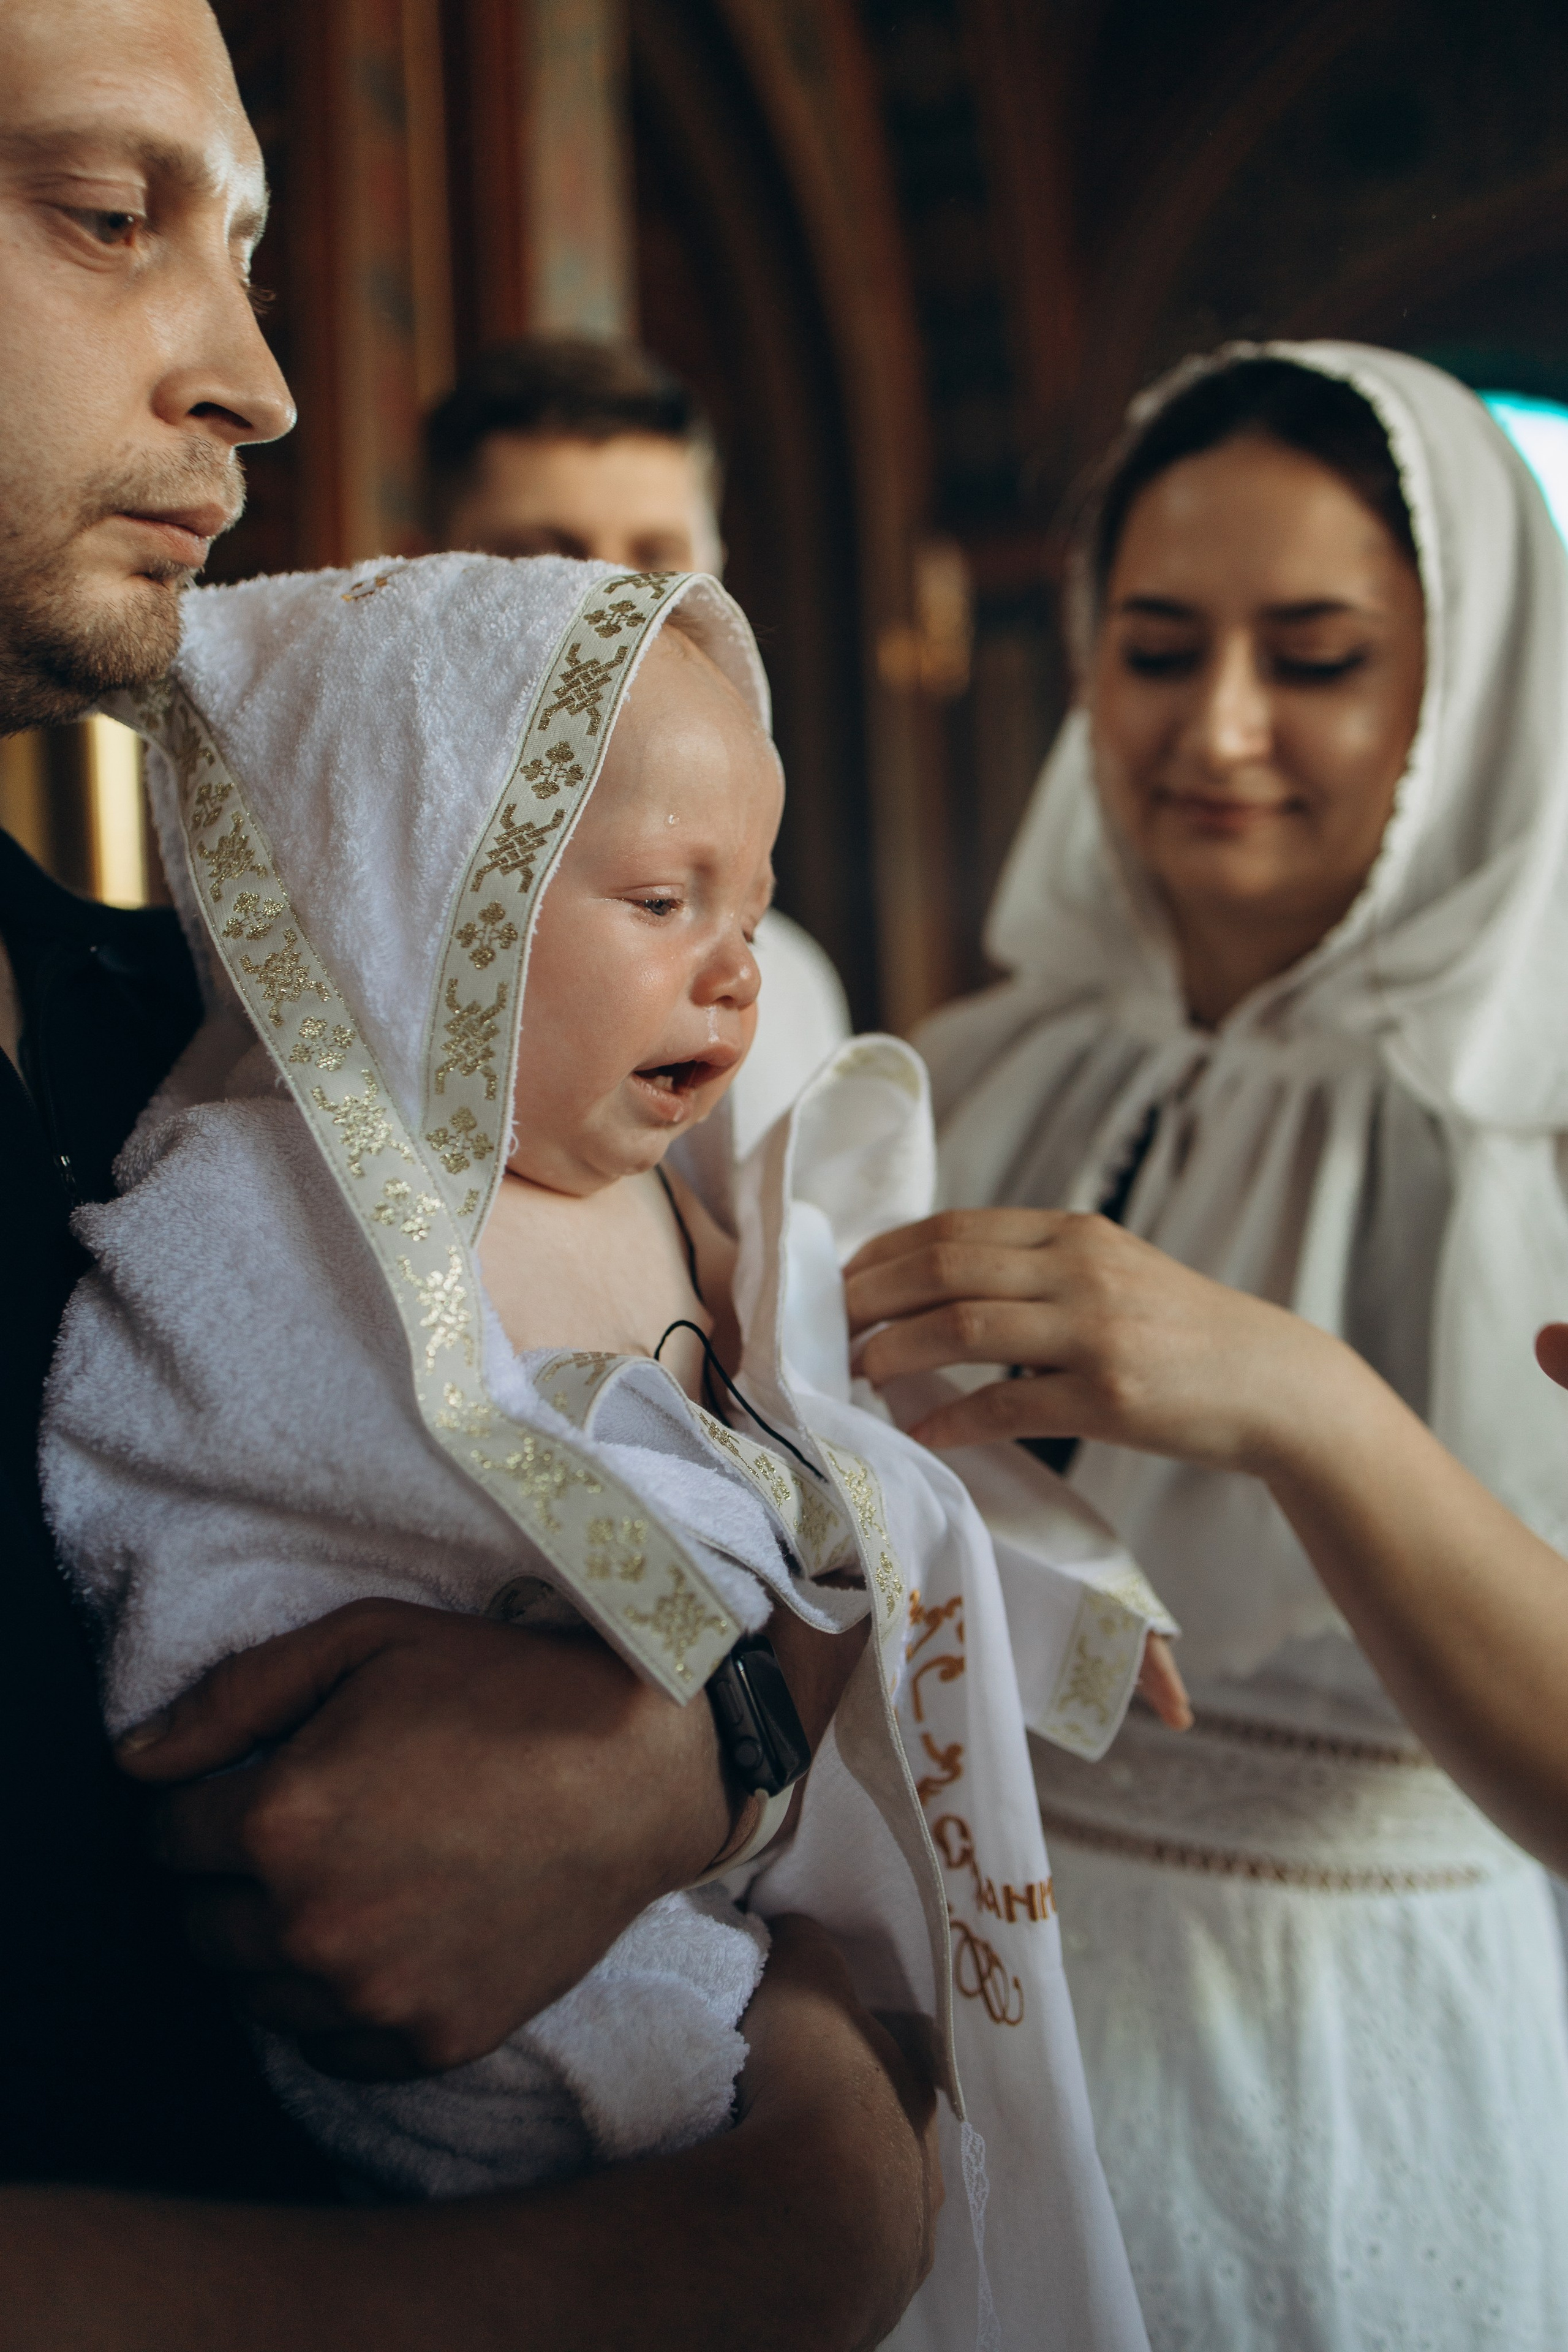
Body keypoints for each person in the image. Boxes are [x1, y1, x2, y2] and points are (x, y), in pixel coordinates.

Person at [0, 2, 939, 2339]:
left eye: (254, 253)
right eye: (107, 216)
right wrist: (730, 2246)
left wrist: (676, 1775)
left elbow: (803, 1540)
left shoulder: (220, 1056)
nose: (256, 381)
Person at [42, 546, 1153, 2346]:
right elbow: (205, 1493)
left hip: (712, 1920)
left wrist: (1057, 1583)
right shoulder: (271, 1213)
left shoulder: (692, 1206)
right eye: (659, 899)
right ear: (427, 899)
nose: (732, 973)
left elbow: (848, 1470)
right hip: (460, 1990)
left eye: (755, 904)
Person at [846, 344, 1568, 2347]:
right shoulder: (975, 1070)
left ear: (1472, 686)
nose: (1218, 729)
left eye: (1318, 658)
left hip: (1343, 2058)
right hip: (959, 2047)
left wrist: (1301, 1397)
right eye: (1158, 649)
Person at [424, 336, 850, 1155]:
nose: (612, 611)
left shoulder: (787, 984)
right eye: (548, 560)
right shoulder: (343, 957)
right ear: (432, 567)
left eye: (658, 561)